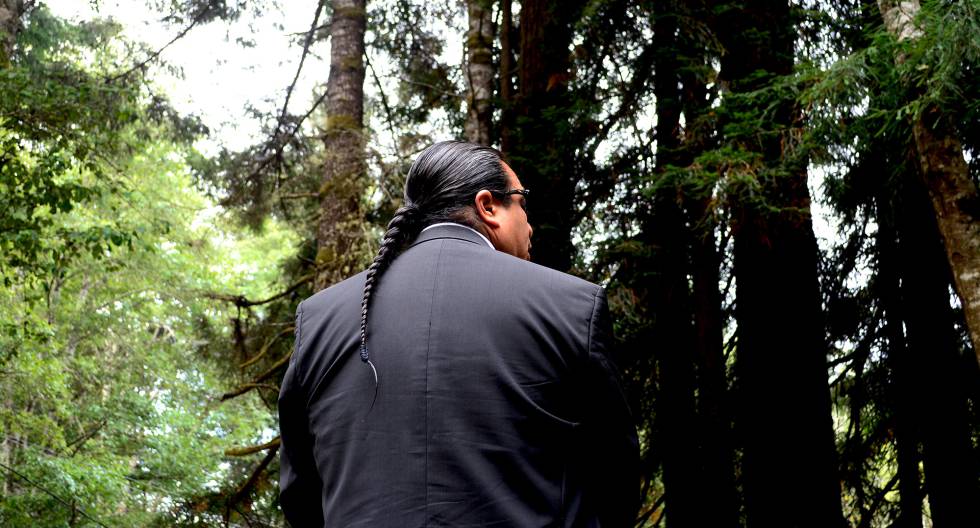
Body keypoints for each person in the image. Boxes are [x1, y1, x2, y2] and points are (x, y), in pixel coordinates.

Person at [278, 141, 639, 527]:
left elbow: (301, 496)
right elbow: (615, 482)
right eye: (523, 203)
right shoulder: (573, 307)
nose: (530, 225)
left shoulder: (319, 318)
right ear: (488, 206)